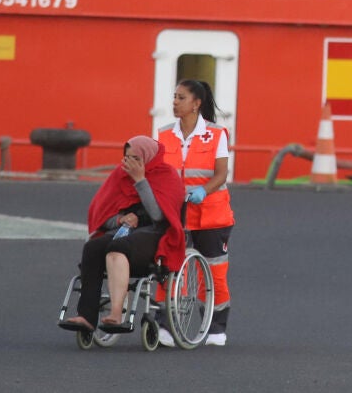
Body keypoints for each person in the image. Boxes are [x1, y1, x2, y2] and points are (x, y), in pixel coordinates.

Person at [59, 136, 185, 333]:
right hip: (123, 230)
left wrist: (140, 180)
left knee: (118, 247)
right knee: (93, 247)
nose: (130, 164)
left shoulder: (166, 175)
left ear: (147, 157)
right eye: (127, 158)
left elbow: (158, 215)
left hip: (154, 234)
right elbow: (102, 214)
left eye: (136, 158)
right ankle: (86, 315)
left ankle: (116, 314)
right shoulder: (119, 175)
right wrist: (120, 220)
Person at [157, 79, 234, 346]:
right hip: (175, 213)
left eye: (181, 98)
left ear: (196, 104)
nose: (175, 102)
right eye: (174, 97)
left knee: (214, 273)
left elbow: (221, 173)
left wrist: (203, 190)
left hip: (212, 215)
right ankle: (165, 323)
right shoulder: (164, 134)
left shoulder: (216, 134)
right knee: (170, 267)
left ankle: (216, 327)